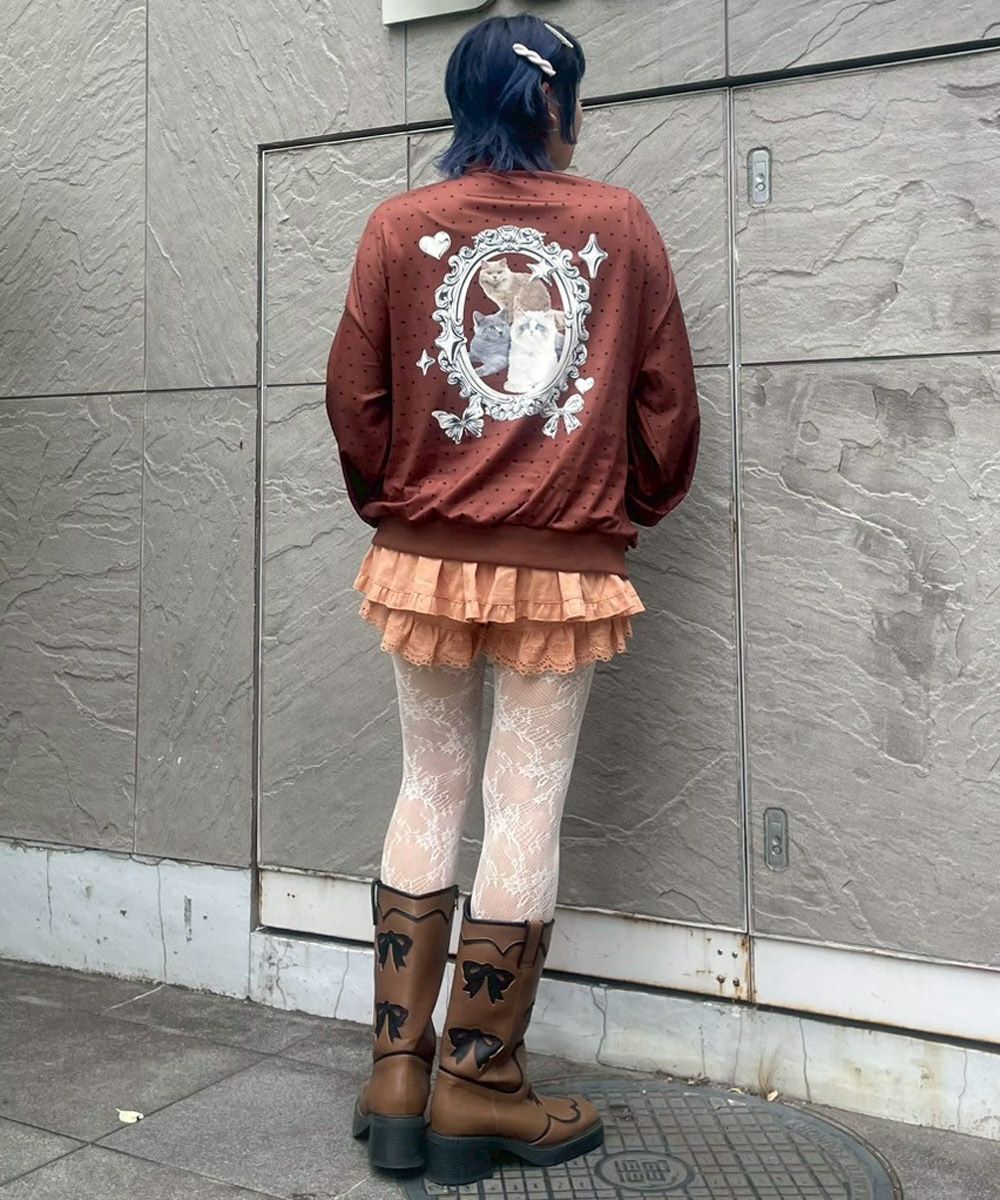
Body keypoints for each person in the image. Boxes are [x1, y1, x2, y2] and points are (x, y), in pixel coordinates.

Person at [324, 13, 700, 1187]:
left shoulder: (398, 226)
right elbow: (666, 402)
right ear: (554, 104)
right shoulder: (618, 224)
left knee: (426, 782)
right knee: (522, 804)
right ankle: (478, 1087)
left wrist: (402, 505)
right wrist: (625, 501)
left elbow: (355, 399)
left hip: (422, 554)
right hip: (563, 559)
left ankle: (397, 1076)